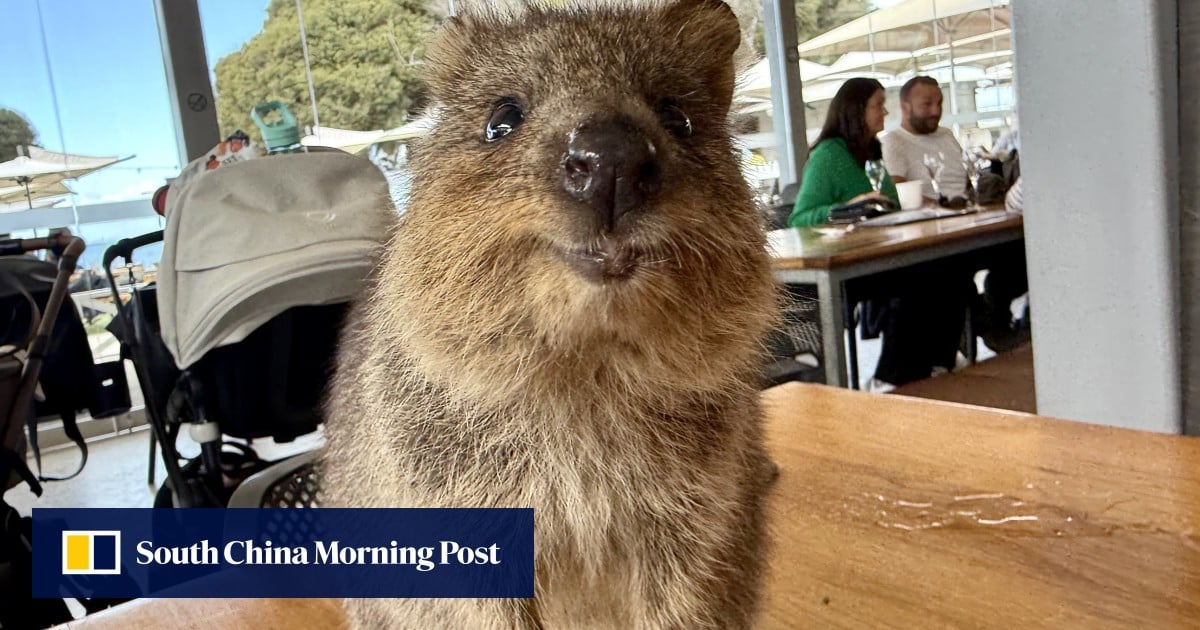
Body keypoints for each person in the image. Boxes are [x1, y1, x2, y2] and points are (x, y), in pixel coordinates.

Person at [789, 77, 898, 227]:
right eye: (878, 105)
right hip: (852, 246)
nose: (885, 112)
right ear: (856, 109)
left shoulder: (871, 148)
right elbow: (799, 220)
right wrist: (847, 209)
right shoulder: (827, 156)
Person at [881, 76, 968, 202]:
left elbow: (967, 178)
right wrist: (945, 207)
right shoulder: (893, 141)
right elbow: (898, 193)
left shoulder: (946, 135)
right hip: (933, 215)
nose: (936, 111)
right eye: (927, 104)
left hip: (967, 208)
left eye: (939, 103)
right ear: (905, 107)